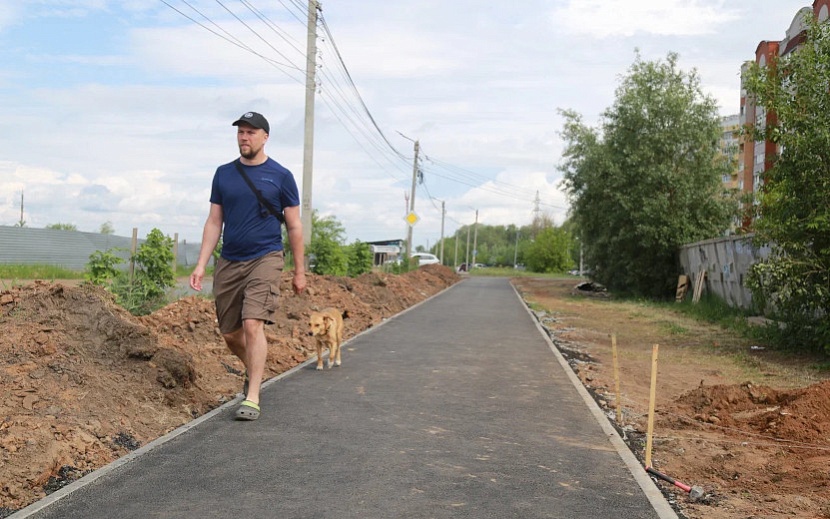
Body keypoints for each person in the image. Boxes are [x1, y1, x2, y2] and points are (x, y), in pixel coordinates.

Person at [190, 111, 306, 421]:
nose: (244, 137)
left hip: (266, 258)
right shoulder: (224, 174)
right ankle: (254, 369)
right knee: (230, 334)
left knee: (253, 323)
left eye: (251, 132)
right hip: (230, 260)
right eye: (241, 132)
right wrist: (202, 264)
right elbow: (215, 221)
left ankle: (252, 396)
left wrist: (299, 270)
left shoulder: (281, 176)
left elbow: (294, 226)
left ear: (265, 137)